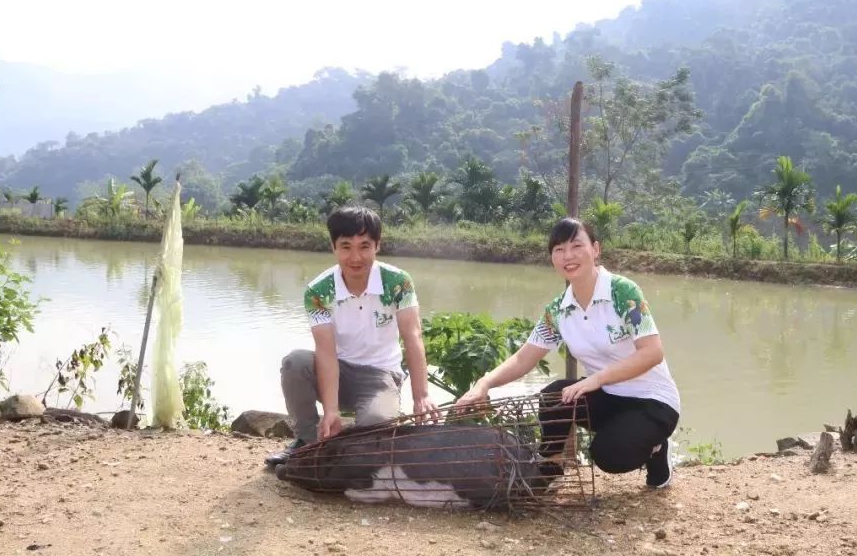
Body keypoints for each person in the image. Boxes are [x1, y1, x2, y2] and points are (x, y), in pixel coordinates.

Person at [455, 218, 681, 488]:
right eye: (559, 249)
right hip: (609, 398)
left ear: (595, 249)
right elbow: (524, 357)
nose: (568, 256)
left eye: (577, 245)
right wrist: (484, 383)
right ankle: (550, 467)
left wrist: (596, 379)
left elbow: (652, 353)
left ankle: (656, 448)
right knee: (553, 396)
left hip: (653, 401)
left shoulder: (622, 292)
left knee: (608, 455)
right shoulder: (559, 310)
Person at [265, 206, 439, 467]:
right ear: (333, 247)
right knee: (295, 362)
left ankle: (350, 444)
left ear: (377, 246)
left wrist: (421, 396)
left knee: (374, 433)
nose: (355, 257)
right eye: (346, 246)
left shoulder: (398, 282)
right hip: (338, 371)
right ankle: (307, 442)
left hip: (380, 375)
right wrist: (331, 410)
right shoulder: (318, 290)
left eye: (364, 246)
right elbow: (325, 350)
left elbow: (413, 337)